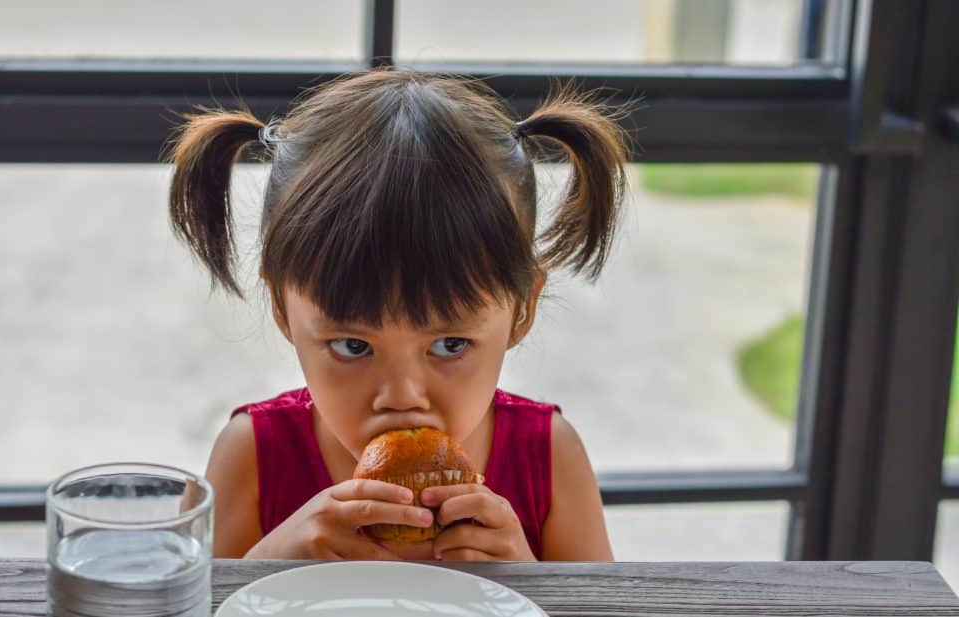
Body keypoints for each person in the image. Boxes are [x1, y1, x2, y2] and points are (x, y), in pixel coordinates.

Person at [165, 66, 630, 562]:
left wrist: (529, 583)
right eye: (353, 346)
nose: (402, 398)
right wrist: (265, 568)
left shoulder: (549, 459)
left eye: (449, 345)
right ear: (282, 306)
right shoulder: (252, 457)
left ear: (522, 310)